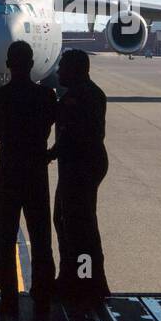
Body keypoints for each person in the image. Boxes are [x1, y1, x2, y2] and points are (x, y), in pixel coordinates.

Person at [0, 41, 57, 311]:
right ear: (31, 64)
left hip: (7, 170)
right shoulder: (47, 97)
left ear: (8, 64)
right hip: (36, 169)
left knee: (4, 236)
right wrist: (48, 152)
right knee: (41, 236)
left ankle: (8, 295)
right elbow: (51, 123)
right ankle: (42, 292)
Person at [47, 48, 110, 302]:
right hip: (81, 165)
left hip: (81, 167)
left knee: (79, 228)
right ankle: (74, 277)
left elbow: (73, 135)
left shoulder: (81, 97)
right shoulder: (85, 94)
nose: (59, 70)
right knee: (66, 221)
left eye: (63, 66)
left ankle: (85, 282)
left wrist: (50, 154)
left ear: (75, 70)